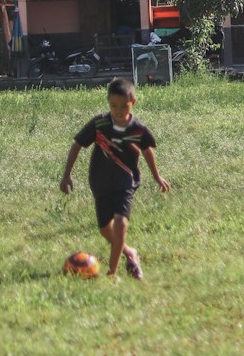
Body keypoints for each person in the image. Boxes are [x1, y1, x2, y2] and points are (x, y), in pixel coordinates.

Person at [59, 77, 169, 278]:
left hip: (126, 183)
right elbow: (76, 145)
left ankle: (112, 272)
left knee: (120, 224)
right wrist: (66, 175)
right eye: (113, 105)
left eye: (124, 106)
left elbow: (147, 151)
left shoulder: (138, 129)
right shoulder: (99, 123)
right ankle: (130, 252)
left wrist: (157, 176)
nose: (118, 110)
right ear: (108, 101)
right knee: (105, 229)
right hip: (100, 184)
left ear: (133, 103)